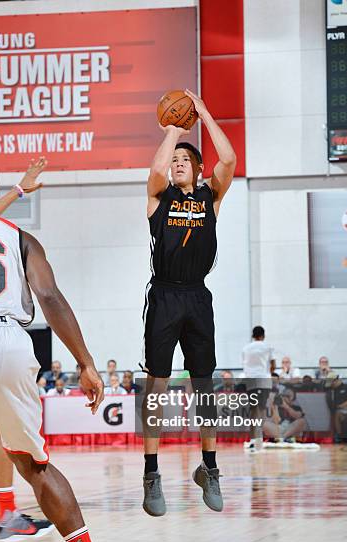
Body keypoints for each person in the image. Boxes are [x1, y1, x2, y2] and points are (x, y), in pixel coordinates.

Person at [0, 155, 118, 542]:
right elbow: (50, 297)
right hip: (14, 346)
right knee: (36, 466)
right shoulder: (21, 239)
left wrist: (17, 192)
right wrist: (86, 361)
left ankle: (6, 513)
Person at [141, 89, 236, 516]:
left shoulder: (210, 197)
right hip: (163, 295)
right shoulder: (159, 198)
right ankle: (151, 474)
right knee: (157, 387)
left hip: (197, 296)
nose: (178, 163)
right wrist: (174, 131)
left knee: (204, 387)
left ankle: (210, 469)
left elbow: (229, 161)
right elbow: (157, 168)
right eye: (175, 160)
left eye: (186, 159)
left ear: (198, 168)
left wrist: (206, 113)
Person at [0, 157, 55, 541]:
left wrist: (19, 190)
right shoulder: (6, 232)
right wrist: (18, 190)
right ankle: (7, 513)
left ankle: (8, 512)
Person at [242, 326, 275, 452]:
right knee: (260, 410)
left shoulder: (246, 348)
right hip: (263, 381)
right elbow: (273, 365)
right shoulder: (267, 346)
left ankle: (252, 439)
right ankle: (258, 440)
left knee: (253, 410)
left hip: (250, 381)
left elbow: (245, 364)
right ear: (263, 335)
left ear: (253, 335)